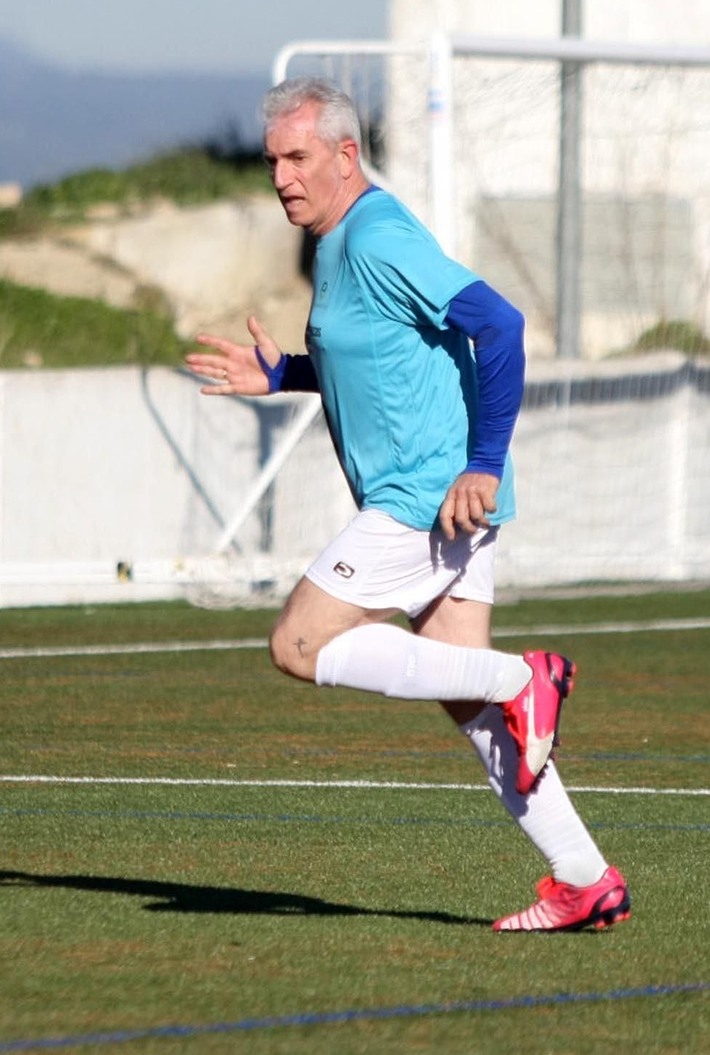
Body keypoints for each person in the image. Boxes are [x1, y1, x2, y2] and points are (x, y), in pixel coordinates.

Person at [184, 76, 629, 932]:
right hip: (438, 496)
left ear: (346, 156)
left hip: (428, 497)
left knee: (301, 643)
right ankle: (585, 877)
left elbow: (497, 325)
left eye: (298, 157)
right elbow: (382, 358)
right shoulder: (337, 240)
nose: (281, 175)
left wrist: (484, 466)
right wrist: (284, 376)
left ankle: (523, 676)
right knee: (474, 711)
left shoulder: (378, 235)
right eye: (273, 158)